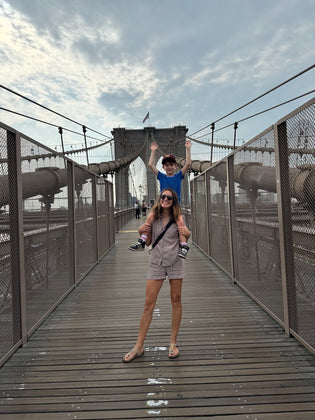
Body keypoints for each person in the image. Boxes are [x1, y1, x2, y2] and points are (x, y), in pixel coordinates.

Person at [123, 188, 190, 363]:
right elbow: (149, 241)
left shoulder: (178, 218)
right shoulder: (153, 216)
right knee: (148, 304)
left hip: (175, 260)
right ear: (160, 199)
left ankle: (173, 343)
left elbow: (185, 236)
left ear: (173, 200)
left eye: (168, 197)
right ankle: (138, 346)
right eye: (163, 197)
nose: (165, 199)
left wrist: (186, 235)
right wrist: (140, 232)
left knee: (176, 300)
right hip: (156, 262)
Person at [128, 140, 192, 259]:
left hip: (175, 205)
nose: (169, 167)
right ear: (163, 167)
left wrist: (188, 149)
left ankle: (183, 246)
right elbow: (151, 165)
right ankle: (142, 241)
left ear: (176, 166)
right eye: (166, 165)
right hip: (162, 204)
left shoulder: (179, 176)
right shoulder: (161, 176)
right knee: (150, 219)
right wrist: (153, 151)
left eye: (171, 164)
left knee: (180, 224)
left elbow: (188, 163)